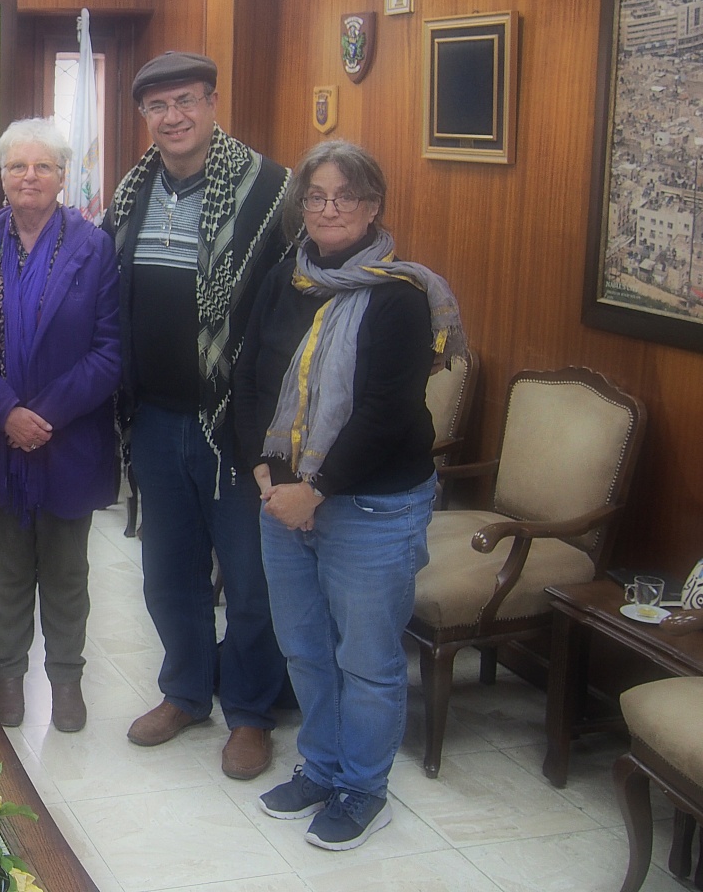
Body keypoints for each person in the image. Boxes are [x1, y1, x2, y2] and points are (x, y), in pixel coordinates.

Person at [235, 140, 464, 850]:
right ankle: (322, 766)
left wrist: (318, 489)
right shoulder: (286, 279)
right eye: (316, 196)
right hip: (283, 497)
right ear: (301, 205)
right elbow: (251, 375)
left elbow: (386, 414)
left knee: (366, 660)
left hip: (372, 504)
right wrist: (263, 469)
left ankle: (364, 789)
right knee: (305, 648)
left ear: (373, 207)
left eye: (346, 197)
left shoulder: (402, 298)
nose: (329, 209)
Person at [103, 50, 291, 782]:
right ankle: (185, 691)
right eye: (158, 106)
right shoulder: (132, 192)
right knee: (168, 573)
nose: (173, 117)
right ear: (143, 117)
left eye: (186, 101)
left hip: (236, 426)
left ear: (213, 102)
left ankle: (250, 711)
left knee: (248, 579)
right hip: (155, 417)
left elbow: (294, 308)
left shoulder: (270, 190)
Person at [0, 118, 121, 733]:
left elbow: (110, 349)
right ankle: (9, 678)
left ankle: (66, 681)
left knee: (67, 573)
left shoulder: (94, 247)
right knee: (6, 571)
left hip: (69, 441)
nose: (29, 177)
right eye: (17, 165)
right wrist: (6, 413)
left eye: (43, 166)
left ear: (63, 175)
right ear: (2, 175)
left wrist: (44, 416)